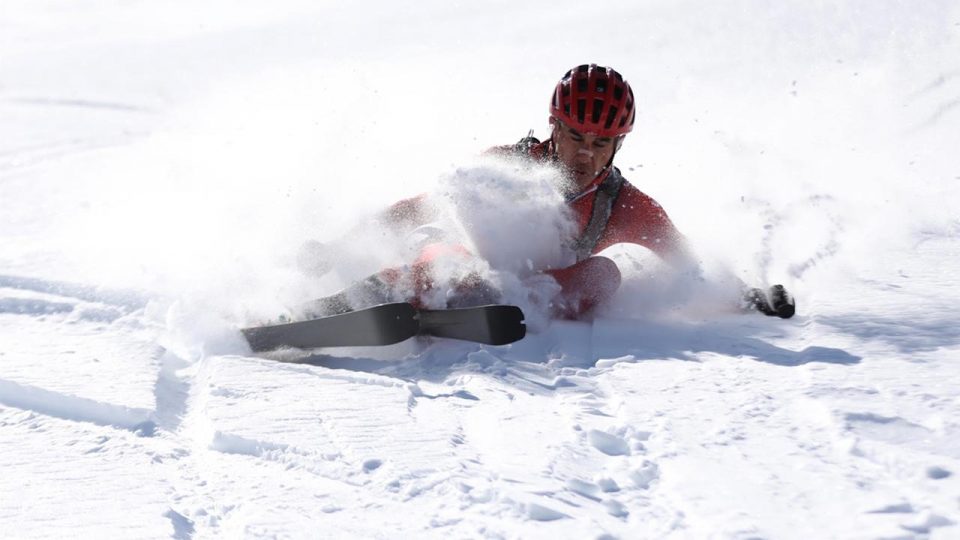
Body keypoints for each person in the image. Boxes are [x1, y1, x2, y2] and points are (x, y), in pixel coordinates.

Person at [299, 64, 794, 320]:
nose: (586, 155)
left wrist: (752, 298)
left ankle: (507, 309)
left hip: (537, 299)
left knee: (605, 274)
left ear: (619, 144)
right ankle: (338, 310)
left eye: (601, 144)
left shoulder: (626, 206)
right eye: (576, 136)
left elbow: (691, 270)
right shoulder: (505, 167)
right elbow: (420, 207)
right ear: (553, 128)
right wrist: (338, 247)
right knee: (446, 255)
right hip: (461, 269)